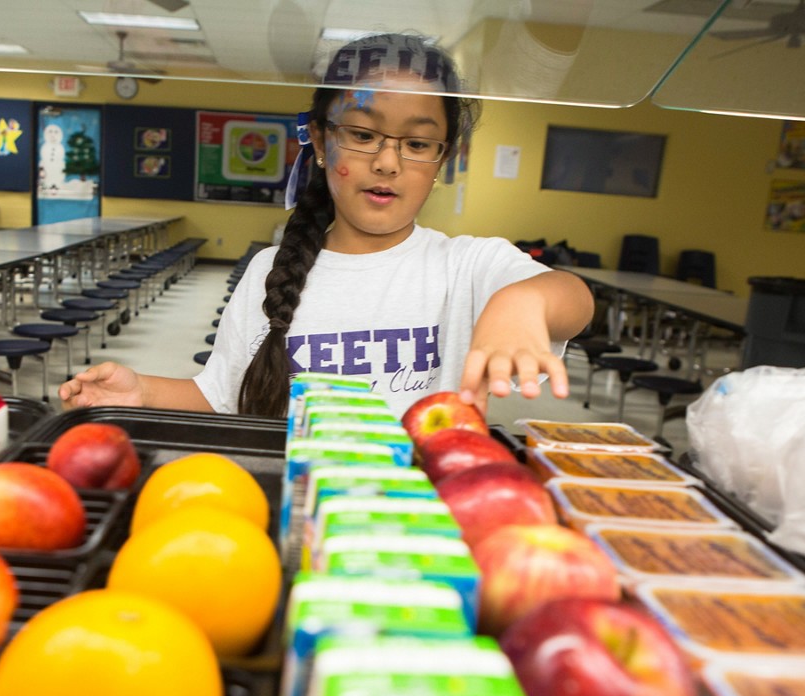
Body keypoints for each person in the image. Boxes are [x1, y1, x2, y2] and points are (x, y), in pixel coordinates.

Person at [59, 33, 593, 418]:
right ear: (318, 140)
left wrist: (522, 303)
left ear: (442, 157)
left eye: (418, 143)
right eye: (362, 134)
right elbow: (221, 396)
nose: (388, 162)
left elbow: (572, 299)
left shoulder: (466, 265)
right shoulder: (271, 270)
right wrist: (142, 392)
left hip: (421, 520)